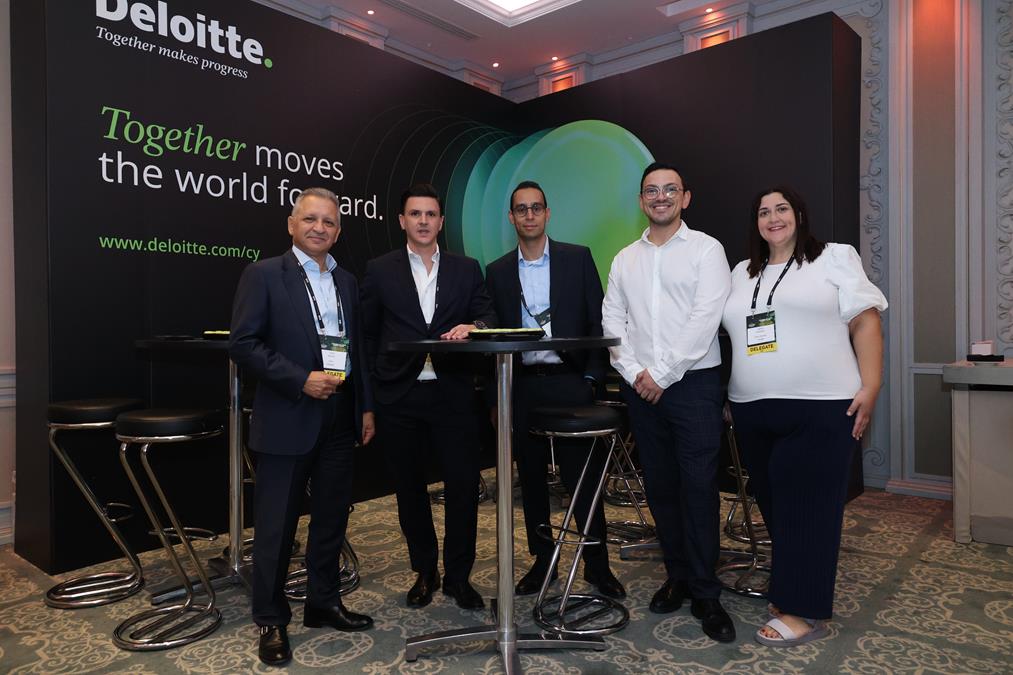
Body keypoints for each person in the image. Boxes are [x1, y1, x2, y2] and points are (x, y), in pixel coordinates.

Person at [721, 186, 887, 647]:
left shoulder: (833, 257)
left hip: (822, 405)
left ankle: (802, 611)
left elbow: (866, 320)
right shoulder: (741, 272)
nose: (773, 218)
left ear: (799, 214)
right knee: (779, 508)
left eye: (781, 209)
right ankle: (792, 589)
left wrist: (871, 386)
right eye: (763, 212)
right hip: (751, 409)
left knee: (811, 510)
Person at [229, 187, 375, 667]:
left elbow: (357, 350)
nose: (319, 228)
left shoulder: (346, 281)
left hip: (339, 417)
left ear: (338, 230)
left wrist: (365, 408)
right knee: (276, 526)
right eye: (310, 219)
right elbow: (244, 344)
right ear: (291, 224)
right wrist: (299, 379)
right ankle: (271, 619)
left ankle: (323, 602)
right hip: (288, 417)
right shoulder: (264, 274)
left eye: (329, 221)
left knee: (332, 518)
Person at [601, 161, 735, 643]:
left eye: (670, 190)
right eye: (652, 191)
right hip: (640, 388)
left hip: (693, 385)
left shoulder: (707, 250)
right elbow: (612, 321)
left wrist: (661, 373)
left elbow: (705, 319)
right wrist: (635, 372)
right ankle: (677, 575)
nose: (661, 197)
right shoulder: (624, 258)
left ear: (685, 197)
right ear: (641, 200)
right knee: (660, 486)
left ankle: (706, 591)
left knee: (698, 487)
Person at [361, 183, 498, 611]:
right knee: (409, 489)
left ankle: (458, 576)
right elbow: (367, 336)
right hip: (398, 394)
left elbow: (488, 315)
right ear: (402, 221)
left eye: (431, 214)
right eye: (415, 214)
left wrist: (475, 327)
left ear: (441, 221)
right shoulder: (379, 270)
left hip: (451, 392)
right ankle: (425, 571)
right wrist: (369, 396)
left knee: (462, 487)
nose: (423, 221)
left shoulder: (466, 268)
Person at [485, 180, 625, 599]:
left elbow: (598, 321)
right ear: (511, 217)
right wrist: (496, 398)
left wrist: (591, 379)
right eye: (521, 209)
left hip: (571, 383)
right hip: (523, 388)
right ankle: (542, 561)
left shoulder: (576, 259)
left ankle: (597, 565)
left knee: (582, 478)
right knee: (530, 480)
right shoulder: (497, 271)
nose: (529, 215)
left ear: (547, 214)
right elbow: (492, 337)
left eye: (536, 208)